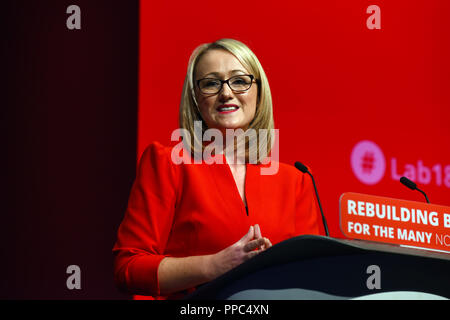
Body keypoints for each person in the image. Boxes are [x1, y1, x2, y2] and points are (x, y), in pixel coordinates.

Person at [113, 38, 323, 299]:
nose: (226, 93)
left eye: (239, 81)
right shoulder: (169, 164)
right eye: (211, 83)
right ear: (196, 98)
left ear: (259, 92)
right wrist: (216, 265)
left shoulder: (296, 181)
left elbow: (316, 276)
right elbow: (128, 268)